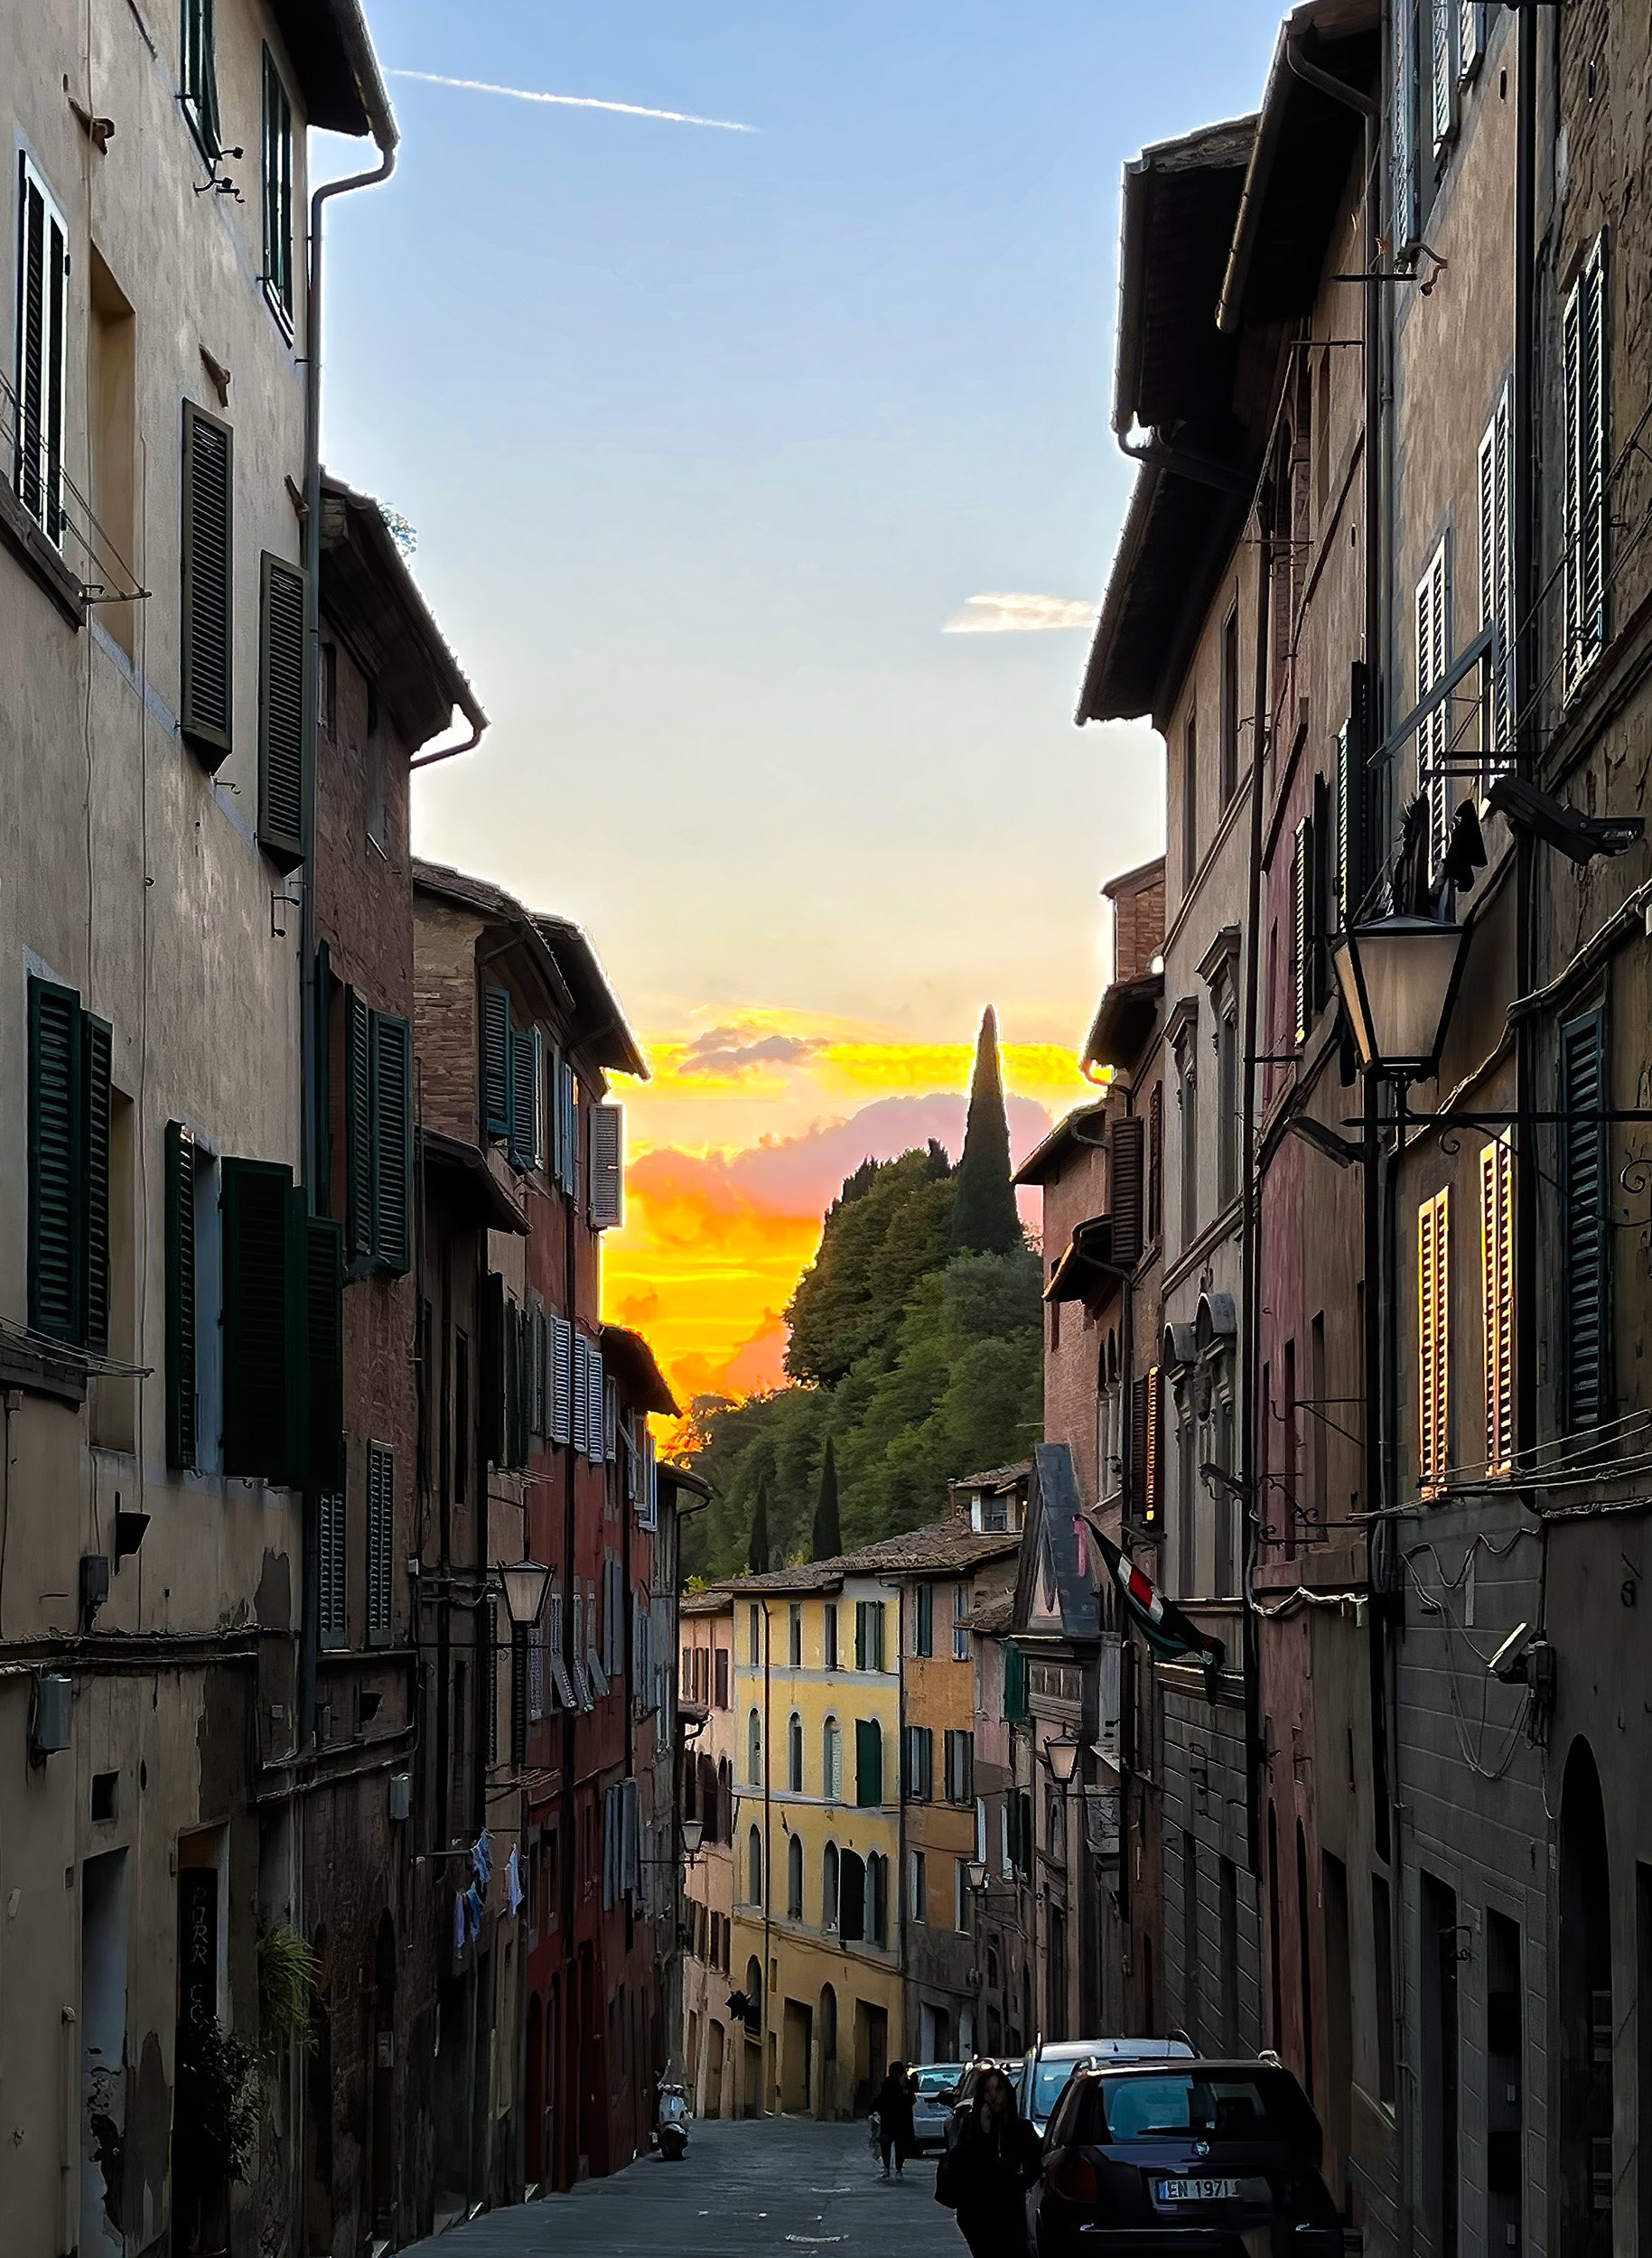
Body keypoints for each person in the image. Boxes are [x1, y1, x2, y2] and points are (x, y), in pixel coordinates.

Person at [934, 2065, 1042, 2256]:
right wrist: (983, 2131)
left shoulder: (1022, 2129)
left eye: (998, 2089)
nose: (993, 2096)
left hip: (1010, 2213)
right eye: (987, 2090)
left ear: (1007, 2092)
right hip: (978, 2214)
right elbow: (962, 2164)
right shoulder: (972, 2127)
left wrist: (1014, 2185)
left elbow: (1033, 2169)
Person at [873, 2060, 918, 2179]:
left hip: (891, 2119)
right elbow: (911, 2100)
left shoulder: (895, 2083)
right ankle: (896, 2170)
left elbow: (880, 2100)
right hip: (899, 2119)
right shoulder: (892, 2084)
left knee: (892, 2145)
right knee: (896, 2146)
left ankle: (890, 2169)